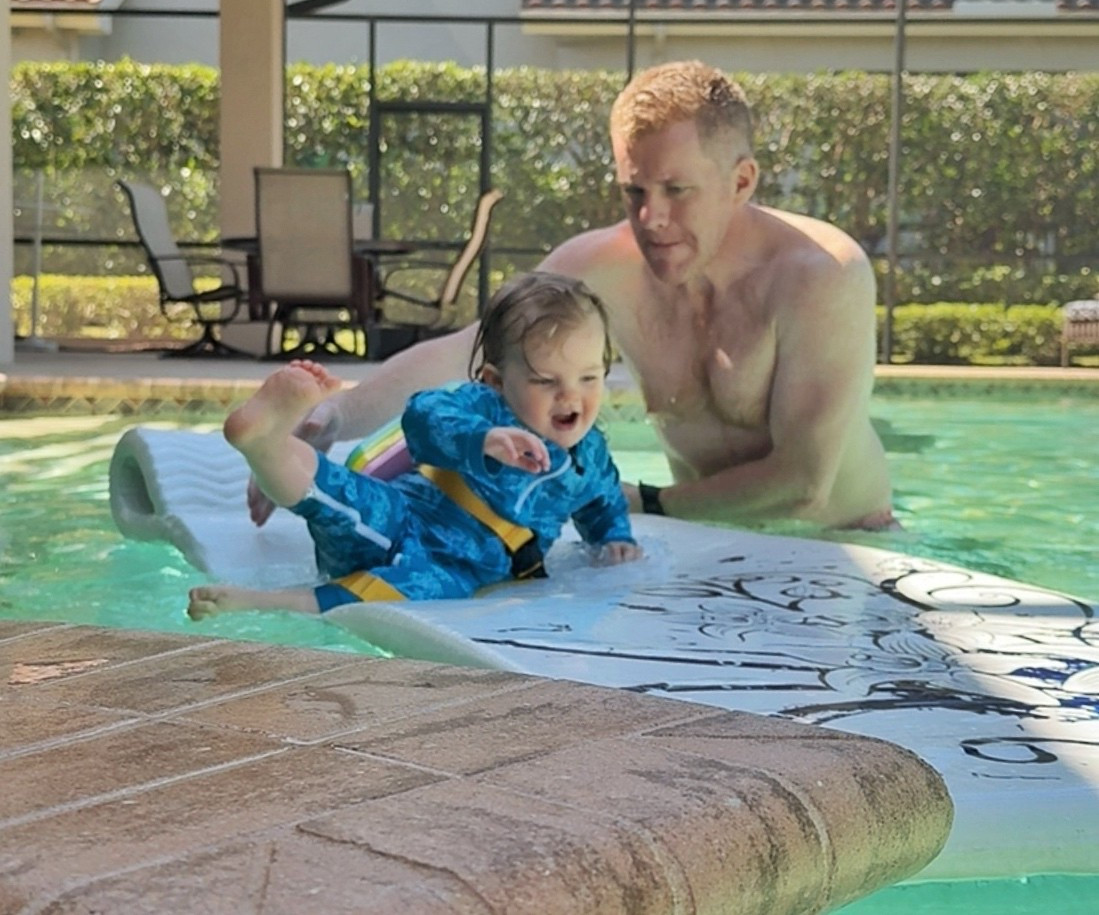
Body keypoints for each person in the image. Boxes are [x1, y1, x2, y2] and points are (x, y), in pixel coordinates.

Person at [246, 59, 893, 533]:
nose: (651, 219)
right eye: (634, 191)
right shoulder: (605, 266)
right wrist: (329, 420)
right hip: (708, 538)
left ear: (742, 181)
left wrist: (636, 502)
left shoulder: (819, 275)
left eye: (677, 190)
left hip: (848, 546)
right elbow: (470, 353)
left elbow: (803, 483)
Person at [189, 272, 641, 619]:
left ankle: (267, 601)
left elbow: (602, 502)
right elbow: (423, 414)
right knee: (335, 494)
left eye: (589, 378)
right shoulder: (482, 406)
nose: (570, 396)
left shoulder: (591, 458)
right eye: (545, 381)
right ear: (496, 380)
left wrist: (613, 537)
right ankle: (266, 443)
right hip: (408, 513)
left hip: (460, 566)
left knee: (417, 591)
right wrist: (481, 438)